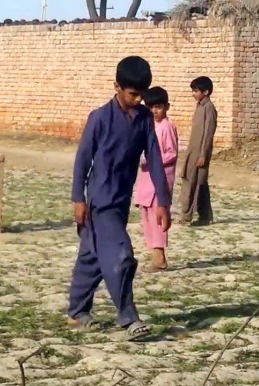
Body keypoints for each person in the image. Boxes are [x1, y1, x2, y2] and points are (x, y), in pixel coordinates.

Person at [68, 56, 172, 341]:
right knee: (121, 256)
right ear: (117, 87)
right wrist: (78, 198)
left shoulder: (143, 120)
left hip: (122, 200)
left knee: (92, 255)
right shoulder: (99, 118)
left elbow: (154, 158)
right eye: (133, 94)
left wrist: (163, 202)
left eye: (142, 95)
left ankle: (77, 310)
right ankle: (129, 317)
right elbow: (82, 161)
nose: (138, 100)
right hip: (100, 202)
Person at [134, 87, 179, 272]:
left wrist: (153, 161)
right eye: (151, 107)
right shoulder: (149, 126)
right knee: (147, 216)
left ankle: (160, 256)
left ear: (166, 107)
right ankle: (155, 254)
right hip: (146, 178)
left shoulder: (167, 127)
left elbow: (172, 153)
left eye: (158, 107)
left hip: (159, 179)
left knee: (158, 216)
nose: (154, 111)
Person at [178, 76, 217, 226]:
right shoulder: (199, 106)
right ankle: (203, 215)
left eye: (196, 91)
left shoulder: (209, 109)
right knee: (195, 182)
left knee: (197, 184)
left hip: (200, 154)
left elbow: (208, 134)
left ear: (205, 92)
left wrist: (203, 155)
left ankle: (189, 216)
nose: (193, 94)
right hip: (192, 151)